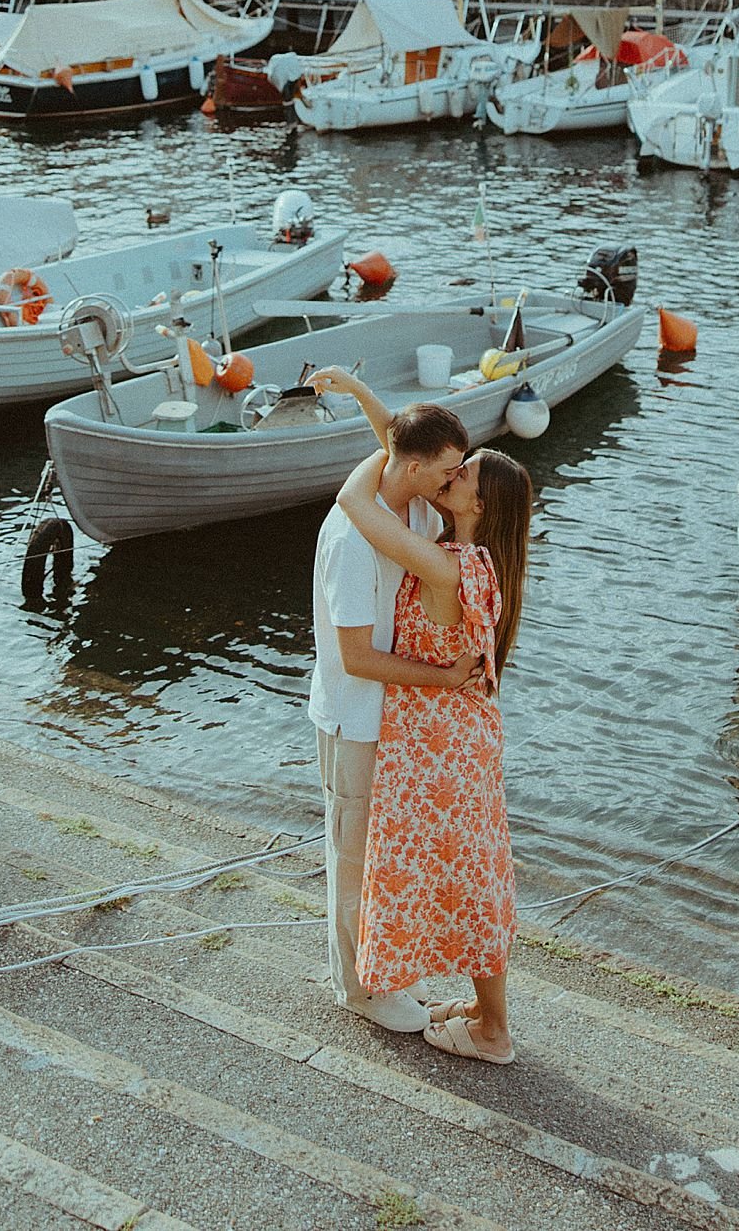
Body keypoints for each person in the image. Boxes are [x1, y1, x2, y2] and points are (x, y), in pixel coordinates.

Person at [337, 439, 532, 1066]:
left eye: (464, 472)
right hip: (451, 741)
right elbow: (406, 447)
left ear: (481, 502)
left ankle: (494, 1030)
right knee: (468, 874)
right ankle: (481, 1010)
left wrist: (391, 447)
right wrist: (384, 421)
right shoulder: (477, 560)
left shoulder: (450, 568)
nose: (452, 474)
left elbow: (351, 501)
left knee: (470, 882)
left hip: (439, 746)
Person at [306, 383, 474, 1032]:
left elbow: (394, 437)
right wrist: (442, 678)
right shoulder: (352, 539)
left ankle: (384, 973)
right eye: (448, 468)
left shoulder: (414, 514)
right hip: (355, 718)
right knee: (353, 860)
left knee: (385, 858)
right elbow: (356, 658)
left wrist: (356, 391)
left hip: (392, 721)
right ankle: (359, 989)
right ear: (412, 468)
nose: (456, 477)